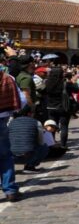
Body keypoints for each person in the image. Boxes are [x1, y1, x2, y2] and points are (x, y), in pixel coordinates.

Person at [0, 56, 22, 202]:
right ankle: (10, 190)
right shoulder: (7, 78)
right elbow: (21, 100)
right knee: (5, 155)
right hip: (1, 118)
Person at [8, 105, 49, 174]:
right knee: (44, 147)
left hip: (12, 156)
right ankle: (30, 166)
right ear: (29, 113)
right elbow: (41, 142)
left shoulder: (10, 123)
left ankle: (9, 168)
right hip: (28, 155)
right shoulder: (37, 122)